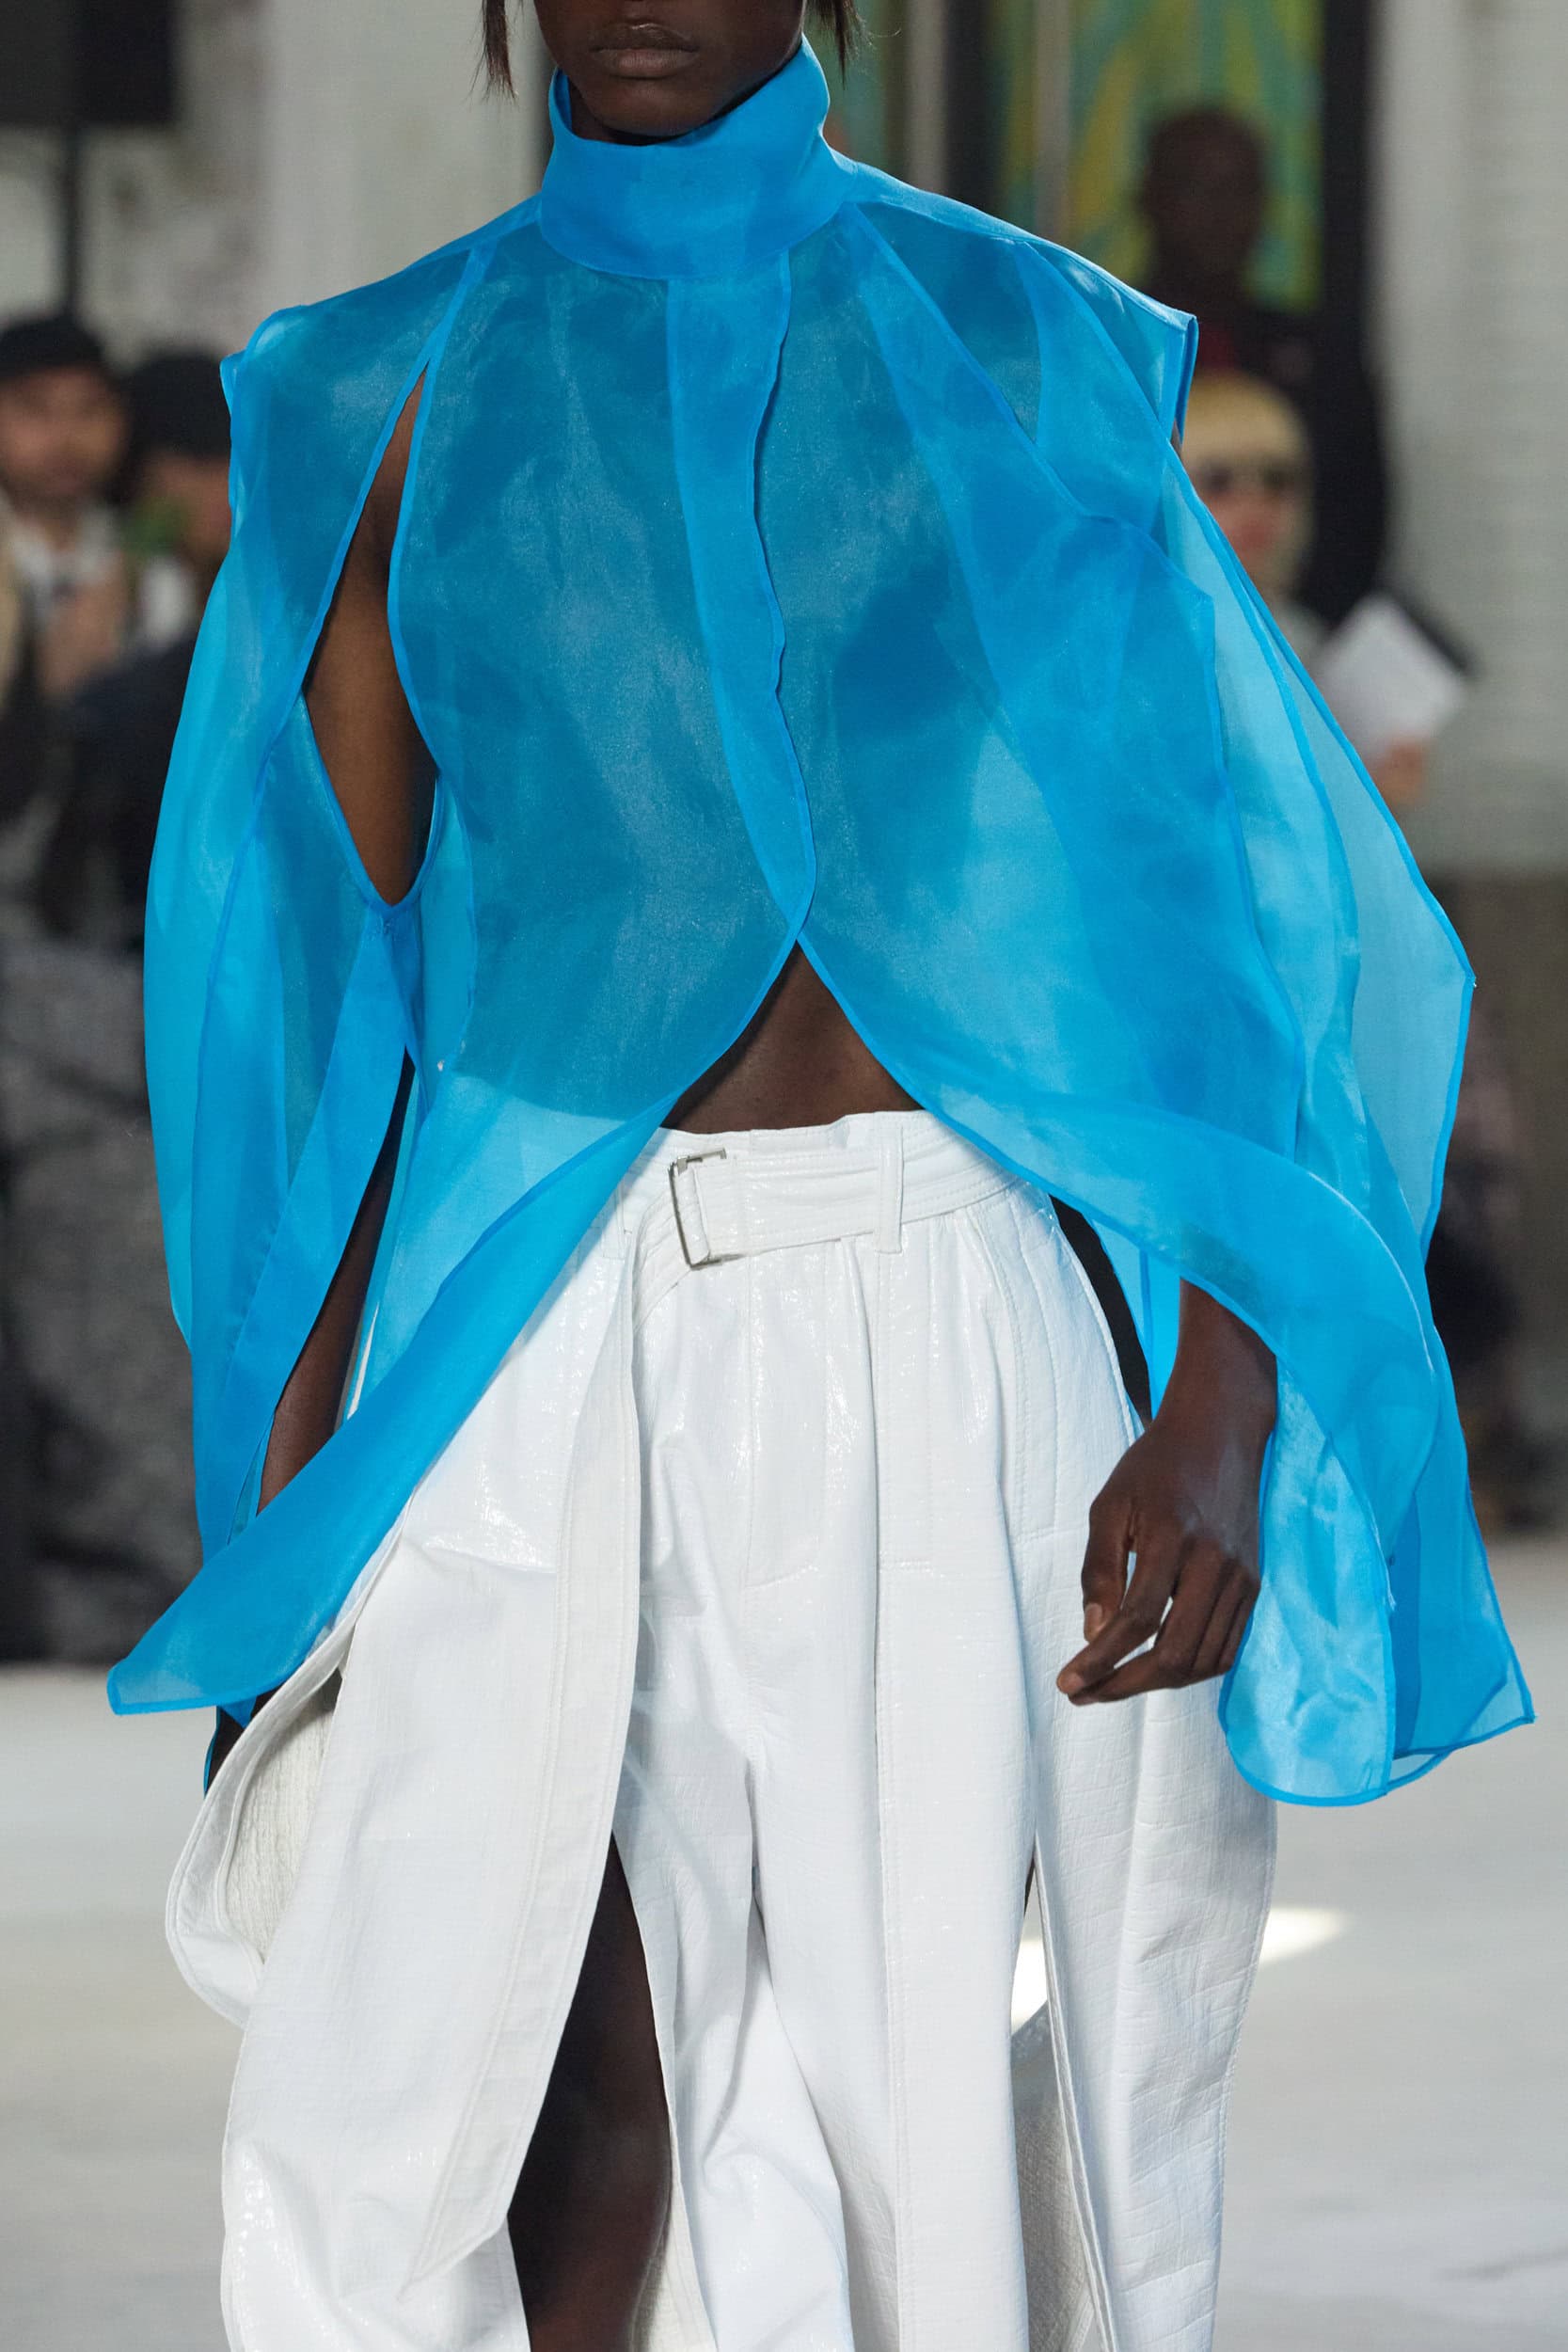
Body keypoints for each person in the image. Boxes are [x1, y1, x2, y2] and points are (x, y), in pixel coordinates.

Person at [117, 8, 1530, 2351]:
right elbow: (317, 1013)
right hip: (527, 1341)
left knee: (908, 2121)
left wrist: (1222, 1390)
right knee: (502, 2077)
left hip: (946, 1306)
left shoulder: (1024, 344)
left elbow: (1204, 924)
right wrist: (279, 1525)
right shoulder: (376, 397)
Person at [1139, 104, 1386, 624]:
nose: (1219, 213)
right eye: (1196, 187)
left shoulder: (1322, 361)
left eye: (1239, 190)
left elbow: (1358, 526)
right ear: (1149, 199)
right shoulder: (1105, 352)